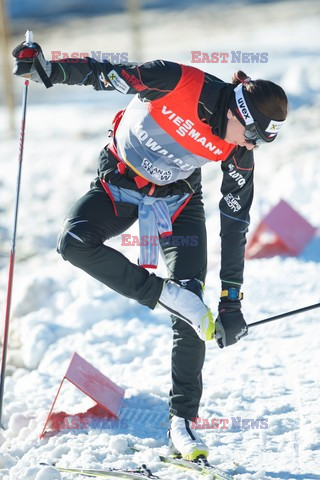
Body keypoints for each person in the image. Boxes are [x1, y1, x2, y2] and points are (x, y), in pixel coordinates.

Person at [12, 40, 288, 461]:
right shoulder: (177, 81)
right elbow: (104, 73)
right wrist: (48, 72)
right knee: (73, 243)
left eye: (262, 142)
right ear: (237, 113)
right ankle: (163, 295)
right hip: (119, 184)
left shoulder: (237, 149)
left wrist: (231, 301)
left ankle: (183, 424)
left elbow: (235, 224)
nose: (252, 146)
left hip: (177, 200)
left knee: (193, 303)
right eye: (252, 135)